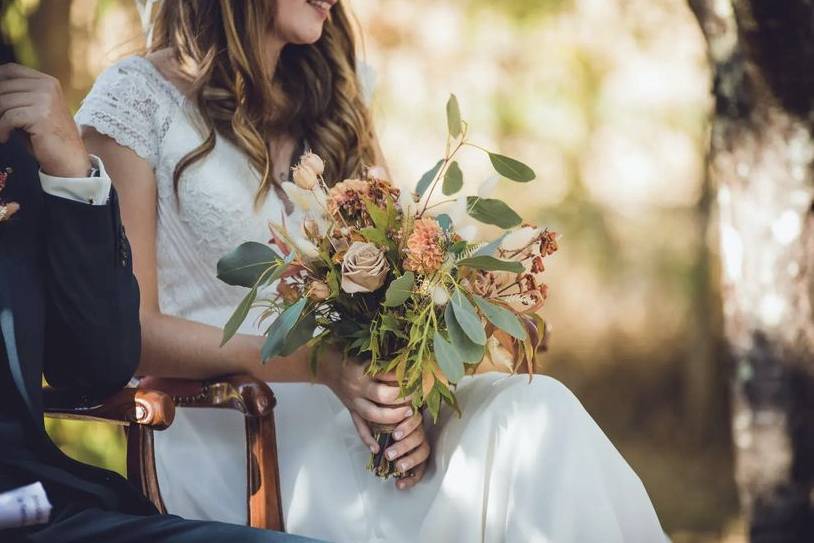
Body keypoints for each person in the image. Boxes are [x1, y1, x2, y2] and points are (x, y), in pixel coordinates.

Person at [77, 1, 669, 541]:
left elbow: (391, 267)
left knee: (538, 415)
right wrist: (319, 366)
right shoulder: (136, 101)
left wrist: (401, 399)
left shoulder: (332, 94)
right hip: (238, 429)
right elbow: (132, 332)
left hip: (357, 407)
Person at [0, 49, 321, 542]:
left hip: (42, 506)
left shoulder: (15, 124)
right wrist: (320, 363)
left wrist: (70, 171)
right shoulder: (137, 94)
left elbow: (97, 366)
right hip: (224, 431)